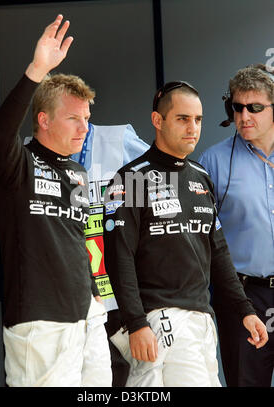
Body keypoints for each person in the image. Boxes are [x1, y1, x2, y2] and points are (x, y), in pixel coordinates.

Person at [103, 80, 268, 387]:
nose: (193, 127)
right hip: (158, 319)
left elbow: (218, 253)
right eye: (182, 119)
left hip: (202, 319)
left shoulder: (201, 176)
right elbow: (118, 258)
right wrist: (136, 322)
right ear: (158, 120)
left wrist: (245, 311)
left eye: (198, 119)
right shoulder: (132, 178)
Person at [0, 15, 111, 387]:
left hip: (88, 316)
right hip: (40, 321)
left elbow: (85, 237)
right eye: (74, 118)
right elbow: (0, 134)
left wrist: (98, 294)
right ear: (43, 119)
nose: (84, 128)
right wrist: (37, 70)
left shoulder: (79, 173)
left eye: (87, 118)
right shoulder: (18, 164)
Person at [198, 64, 274, 387]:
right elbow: (199, 237)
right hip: (243, 296)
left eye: (255, 108)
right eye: (237, 107)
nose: (244, 116)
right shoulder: (212, 162)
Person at [72, 122, 149, 386]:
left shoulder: (119, 139)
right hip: (65, 302)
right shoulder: (30, 151)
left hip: (116, 299)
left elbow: (159, 179)